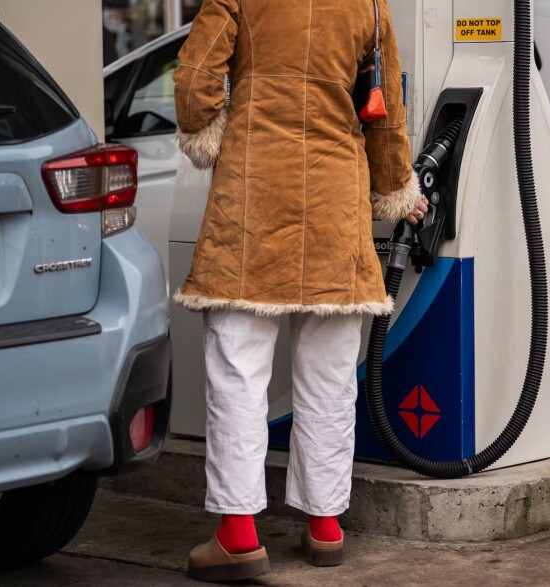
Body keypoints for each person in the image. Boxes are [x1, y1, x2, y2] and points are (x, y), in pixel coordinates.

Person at [172, 0, 427, 581]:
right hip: (335, 201)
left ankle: (238, 535)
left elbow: (194, 79)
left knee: (238, 371)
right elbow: (386, 114)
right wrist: (395, 191)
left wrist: (208, 133)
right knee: (331, 377)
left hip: (251, 196)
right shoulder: (368, 4)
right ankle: (325, 526)